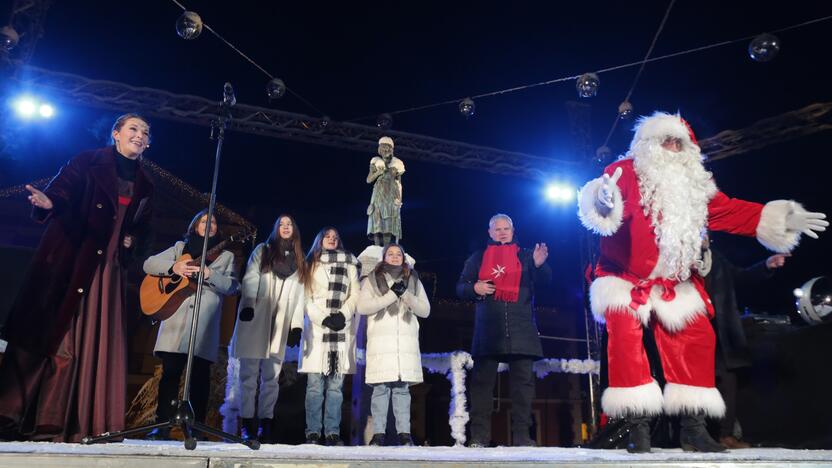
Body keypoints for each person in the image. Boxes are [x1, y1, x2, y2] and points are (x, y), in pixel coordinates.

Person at [577, 111, 827, 453]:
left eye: (679, 142)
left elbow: (732, 212)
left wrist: (781, 218)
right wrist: (602, 202)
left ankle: (693, 428)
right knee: (626, 344)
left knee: (696, 338)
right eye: (665, 141)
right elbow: (603, 205)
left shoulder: (695, 188)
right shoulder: (622, 174)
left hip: (673, 283)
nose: (672, 147)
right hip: (625, 280)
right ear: (647, 145)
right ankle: (637, 430)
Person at [0, 114, 155, 442]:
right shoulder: (88, 161)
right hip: (72, 261)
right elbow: (62, 191)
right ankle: (39, 420)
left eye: (145, 133)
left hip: (109, 270)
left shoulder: (146, 184)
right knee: (57, 340)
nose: (139, 136)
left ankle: (87, 420)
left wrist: (133, 241)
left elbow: (142, 229)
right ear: (115, 134)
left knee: (95, 344)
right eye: (133, 129)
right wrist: (49, 202)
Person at [141, 209, 239, 440]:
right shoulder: (178, 249)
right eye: (205, 220)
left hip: (203, 323)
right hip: (175, 317)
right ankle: (163, 426)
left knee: (199, 377)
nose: (209, 224)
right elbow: (149, 263)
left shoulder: (226, 257)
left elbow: (233, 287)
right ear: (195, 225)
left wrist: (209, 275)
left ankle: (196, 429)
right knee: (170, 374)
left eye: (213, 221)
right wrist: (174, 268)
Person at [456, 214, 551, 447]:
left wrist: (539, 266)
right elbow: (460, 287)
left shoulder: (527, 255)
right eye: (497, 229)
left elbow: (547, 281)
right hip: (489, 331)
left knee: (522, 389)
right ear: (489, 233)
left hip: (521, 330)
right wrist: (474, 288)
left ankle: (521, 436)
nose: (501, 232)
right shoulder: (477, 258)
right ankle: (479, 437)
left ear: (513, 230)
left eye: (506, 228)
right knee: (481, 388)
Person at [699, 235, 787, 449]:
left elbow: (741, 277)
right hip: (694, 331)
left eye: (706, 233)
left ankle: (725, 435)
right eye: (699, 232)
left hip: (720, 330)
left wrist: (766, 265)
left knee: (728, 381)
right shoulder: (680, 260)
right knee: (694, 384)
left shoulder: (716, 259)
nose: (704, 237)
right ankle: (694, 435)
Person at [228, 215, 307, 443]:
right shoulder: (263, 250)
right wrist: (249, 304)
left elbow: (300, 295)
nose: (285, 227)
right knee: (248, 376)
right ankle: (246, 424)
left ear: (295, 230)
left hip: (280, 323)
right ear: (276, 228)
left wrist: (296, 326)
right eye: (281, 224)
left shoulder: (299, 260)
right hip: (257, 318)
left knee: (271, 377)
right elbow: (251, 277)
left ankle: (265, 423)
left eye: (289, 224)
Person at [356, 243, 430, 447]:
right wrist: (391, 295)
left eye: (399, 254)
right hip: (381, 342)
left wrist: (405, 294)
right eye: (391, 254)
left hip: (404, 344)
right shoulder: (372, 279)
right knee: (380, 389)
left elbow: (425, 310)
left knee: (401, 390)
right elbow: (362, 307)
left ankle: (404, 434)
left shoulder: (413, 280)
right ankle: (378, 434)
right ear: (384, 257)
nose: (395, 257)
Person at [299, 227, 360, 446]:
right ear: (320, 240)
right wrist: (323, 318)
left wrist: (342, 315)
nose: (332, 239)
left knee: (335, 387)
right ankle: (313, 432)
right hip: (317, 328)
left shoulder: (350, 263)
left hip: (340, 329)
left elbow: (355, 294)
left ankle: (332, 432)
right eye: (328, 236)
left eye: (336, 237)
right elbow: (305, 297)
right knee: (315, 385)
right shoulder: (310, 263)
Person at [366, 136, 404, 246]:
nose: (385, 150)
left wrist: (399, 198)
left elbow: (398, 182)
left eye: (388, 148)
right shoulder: (376, 161)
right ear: (380, 149)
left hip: (391, 192)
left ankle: (386, 247)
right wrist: (378, 172)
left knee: (388, 219)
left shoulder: (396, 163)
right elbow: (369, 180)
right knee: (376, 216)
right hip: (378, 192)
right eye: (383, 147)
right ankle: (377, 247)